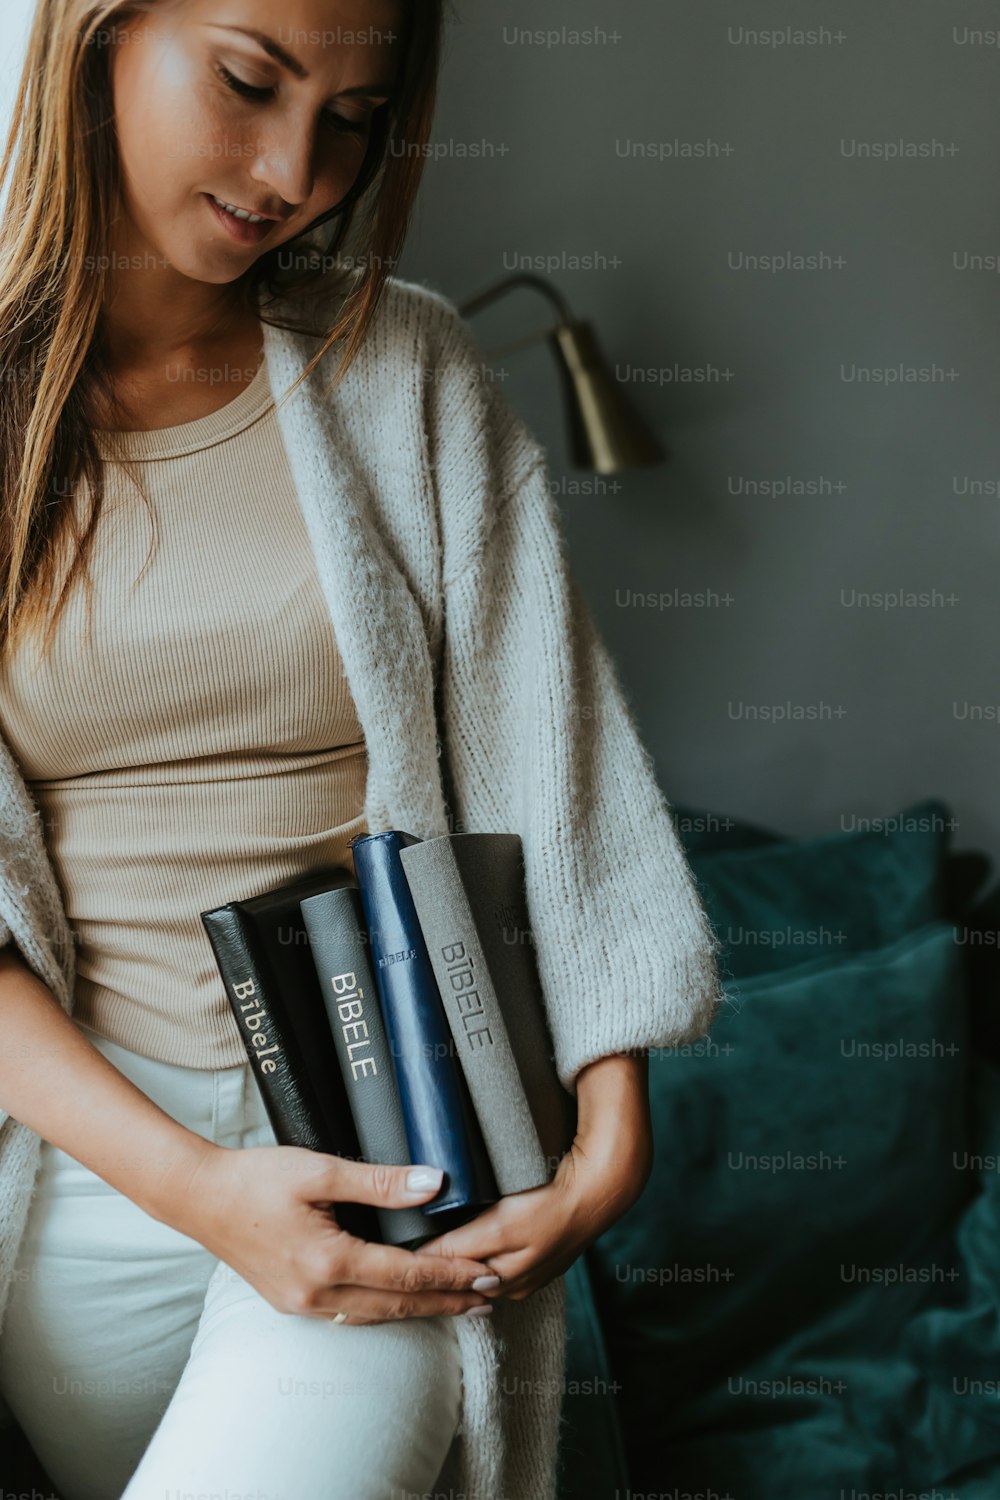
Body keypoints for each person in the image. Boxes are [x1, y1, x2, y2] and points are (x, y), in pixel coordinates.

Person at [0, 2, 723, 1498]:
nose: (293, 168)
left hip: (392, 1137)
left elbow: (552, 753)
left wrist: (610, 1131)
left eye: (353, 116)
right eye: (250, 80)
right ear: (93, 37)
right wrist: (199, 1192)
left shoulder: (404, 370)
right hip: (82, 1181)